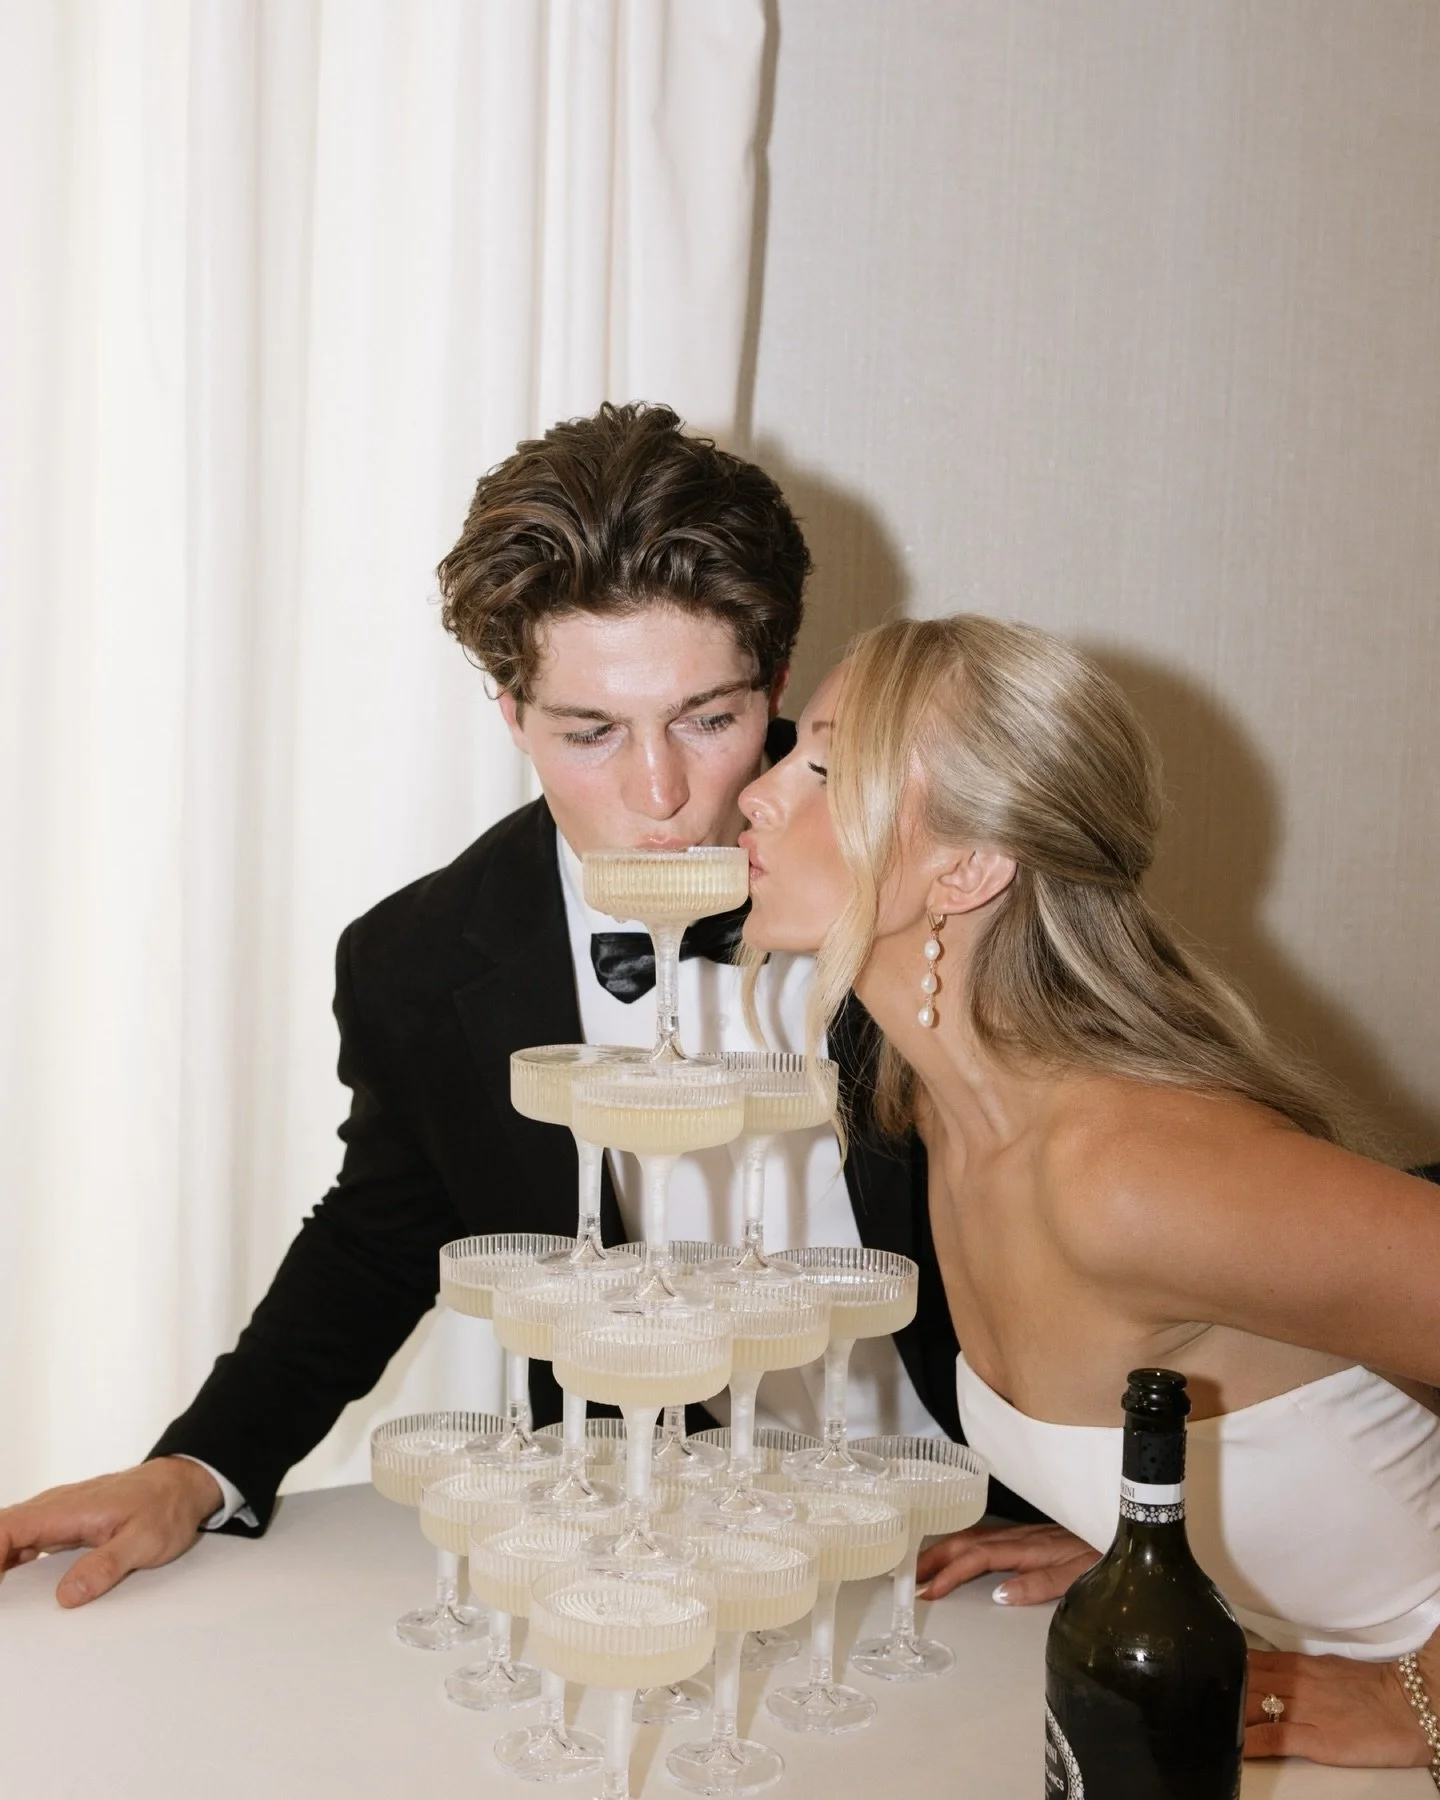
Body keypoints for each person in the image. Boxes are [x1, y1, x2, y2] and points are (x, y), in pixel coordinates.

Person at [0, 403, 961, 1609]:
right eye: (591, 731)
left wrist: (1108, 1512)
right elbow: (374, 1237)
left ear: (776, 684)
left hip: (953, 1539)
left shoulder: (931, 877)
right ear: (512, 716)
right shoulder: (416, 961)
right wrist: (198, 1466)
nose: (659, 792)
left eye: (709, 720)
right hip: (651, 1562)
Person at [736, 612, 1440, 1773]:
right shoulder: (941, 1125)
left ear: (969, 867)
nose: (762, 795)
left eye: (822, 766)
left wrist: (1422, 1692)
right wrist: (1155, 1551)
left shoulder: (1126, 1173)